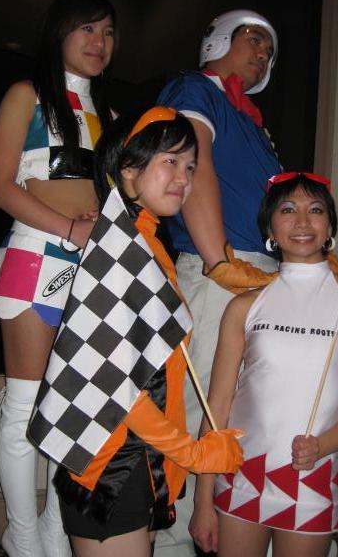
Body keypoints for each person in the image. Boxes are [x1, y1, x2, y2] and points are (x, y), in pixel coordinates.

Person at [34, 107, 244, 557]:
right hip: (110, 464)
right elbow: (112, 382)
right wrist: (192, 453)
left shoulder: (146, 243)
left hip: (142, 461)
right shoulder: (120, 248)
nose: (184, 178)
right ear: (128, 167)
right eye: (170, 161)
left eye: (191, 167)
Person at [0, 0, 116, 557]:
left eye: (108, 32)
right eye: (87, 28)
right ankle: (23, 534)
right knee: (24, 406)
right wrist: (69, 228)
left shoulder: (108, 117)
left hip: (91, 270)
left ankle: (58, 532)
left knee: (73, 409)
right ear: (60, 32)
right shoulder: (26, 95)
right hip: (34, 258)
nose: (99, 42)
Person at [190, 173, 338, 557]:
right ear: (270, 230)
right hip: (241, 477)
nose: (302, 221)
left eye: (316, 210)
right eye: (288, 210)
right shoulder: (244, 306)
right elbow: (217, 407)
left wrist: (322, 446)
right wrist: (202, 501)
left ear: (330, 227)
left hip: (314, 481)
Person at [155, 9, 281, 555]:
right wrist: (217, 261)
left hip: (264, 273)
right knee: (201, 406)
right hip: (219, 270)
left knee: (249, 411)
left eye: (269, 49)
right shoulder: (197, 88)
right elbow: (195, 165)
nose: (263, 53)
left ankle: (239, 530)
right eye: (254, 38)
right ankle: (172, 540)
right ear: (220, 38)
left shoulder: (252, 122)